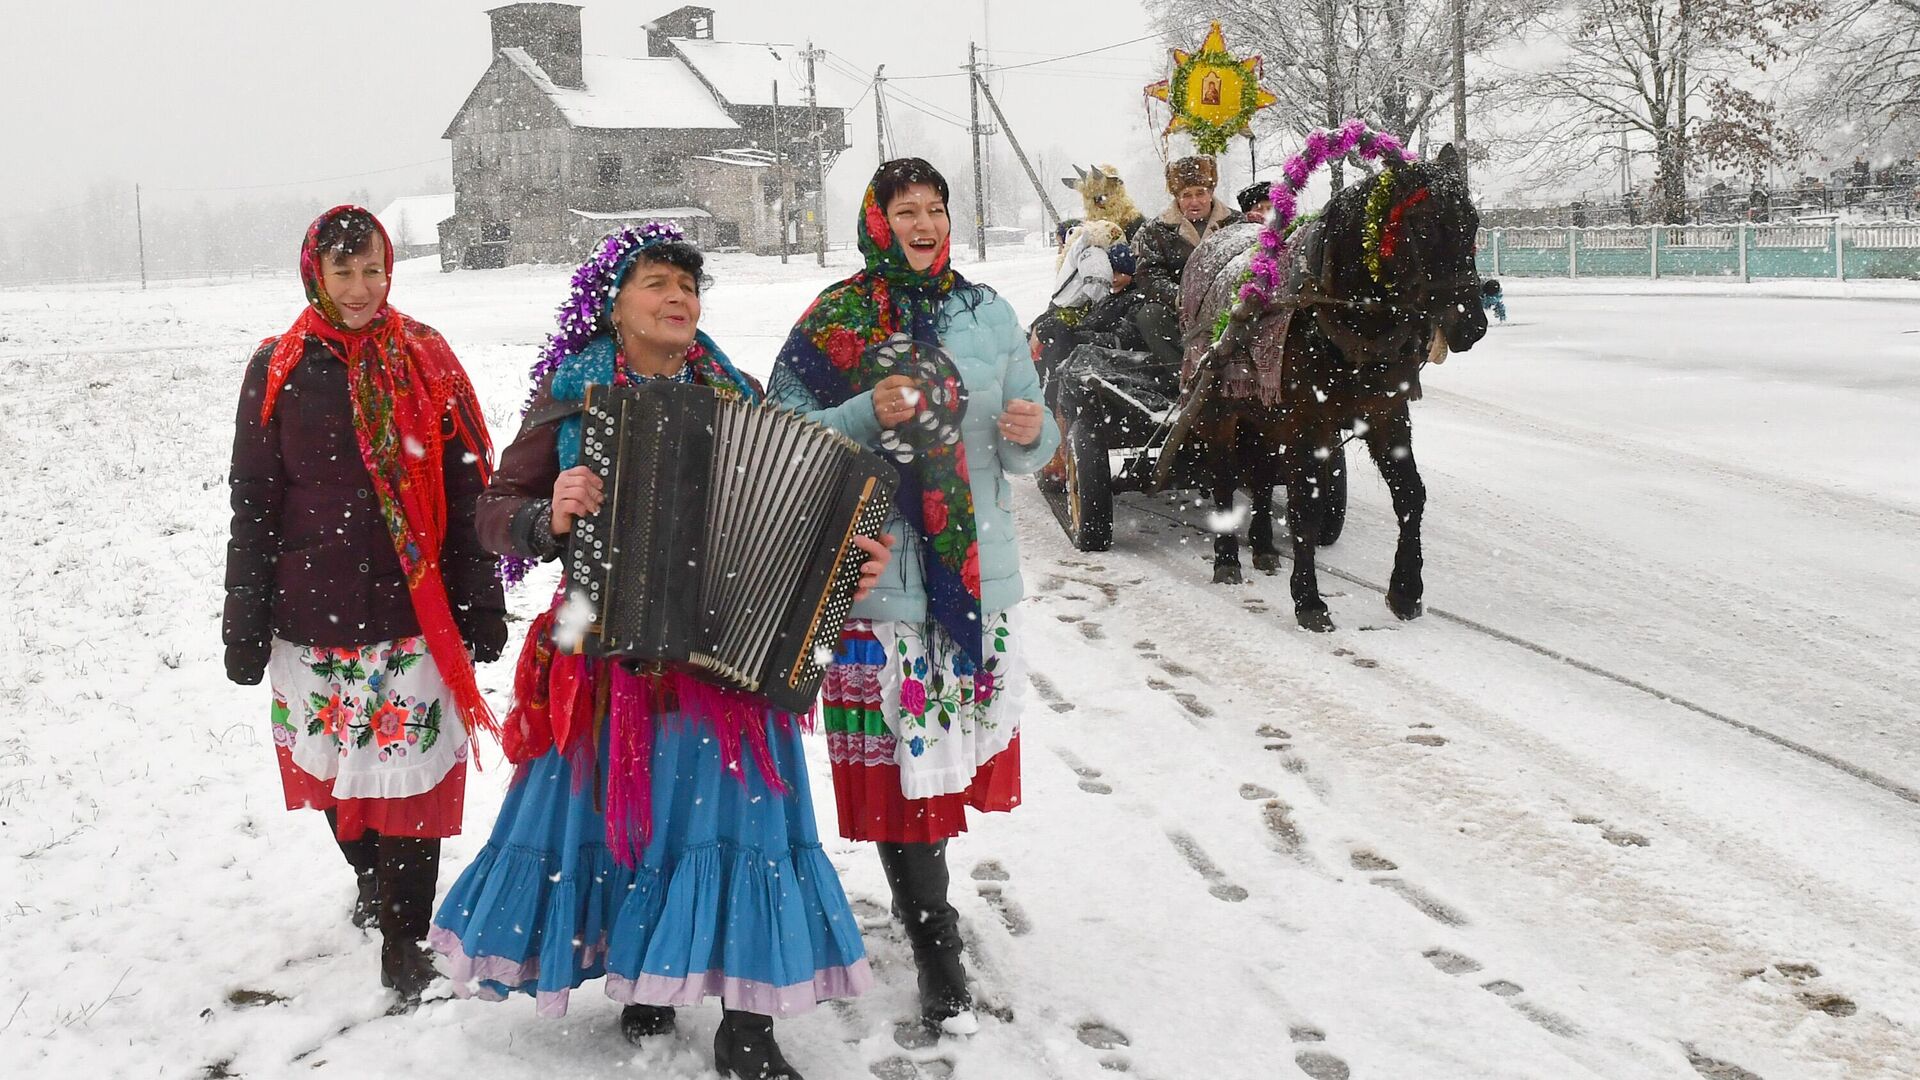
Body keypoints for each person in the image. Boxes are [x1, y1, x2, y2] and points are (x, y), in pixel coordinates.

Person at [430, 222, 889, 1080]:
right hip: (600, 640)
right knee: (619, 824)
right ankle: (646, 976)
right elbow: (492, 512)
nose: (680, 300)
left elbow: (802, 511)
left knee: (738, 831)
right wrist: (547, 515)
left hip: (726, 653)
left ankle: (747, 1031)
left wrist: (846, 559)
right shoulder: (572, 396)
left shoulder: (738, 393)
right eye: (658, 285)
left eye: (689, 286)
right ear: (614, 305)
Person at [768, 158, 1060, 1036]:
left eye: (936, 208)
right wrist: (863, 410)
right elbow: (782, 433)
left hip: (974, 576)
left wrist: (1030, 431)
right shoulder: (836, 319)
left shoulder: (989, 312)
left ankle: (932, 915)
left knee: (942, 765)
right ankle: (934, 938)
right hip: (880, 577)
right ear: (877, 220)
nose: (925, 224)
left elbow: (1032, 440)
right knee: (906, 771)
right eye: (907, 211)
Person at [223, 205, 505, 1005]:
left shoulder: (425, 358)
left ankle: (405, 939)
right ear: (316, 272)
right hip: (311, 614)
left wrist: (480, 598)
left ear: (390, 269)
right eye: (343, 271)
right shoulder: (276, 368)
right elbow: (255, 501)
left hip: (413, 609)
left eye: (373, 269)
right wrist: (243, 620)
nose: (360, 287)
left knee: (410, 781)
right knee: (343, 773)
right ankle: (372, 880)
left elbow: (465, 482)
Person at [1133, 155, 1244, 367]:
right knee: (1150, 316)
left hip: (1228, 305)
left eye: (1201, 193)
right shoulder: (1157, 230)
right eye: (1186, 195)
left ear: (1211, 193)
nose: (1194, 202)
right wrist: (1183, 299)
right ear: (1177, 198)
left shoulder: (1235, 222)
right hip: (1179, 312)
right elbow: (1149, 276)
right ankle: (1184, 376)